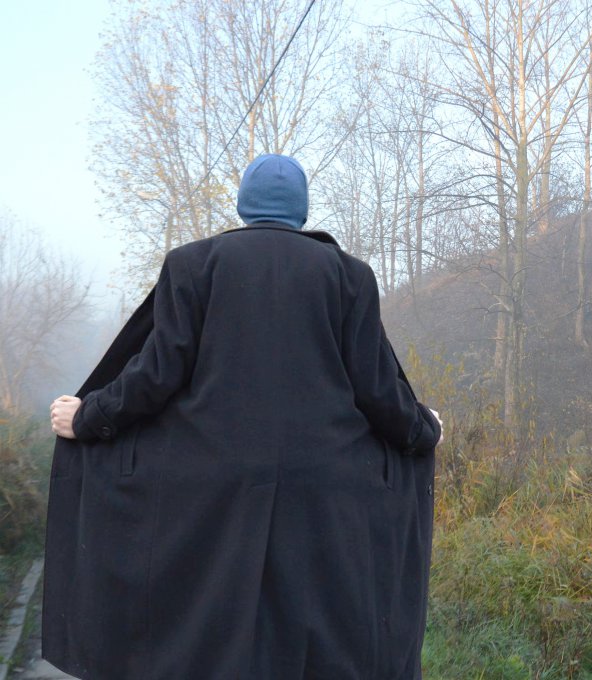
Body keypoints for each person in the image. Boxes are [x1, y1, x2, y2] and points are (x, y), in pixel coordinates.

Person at [45, 153, 443, 680]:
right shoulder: (350, 275)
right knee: (310, 642)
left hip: (212, 490)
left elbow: (155, 375)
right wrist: (423, 429)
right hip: (323, 495)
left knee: (214, 635)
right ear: (302, 210)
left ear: (243, 205)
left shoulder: (192, 264)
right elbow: (377, 389)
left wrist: (88, 417)